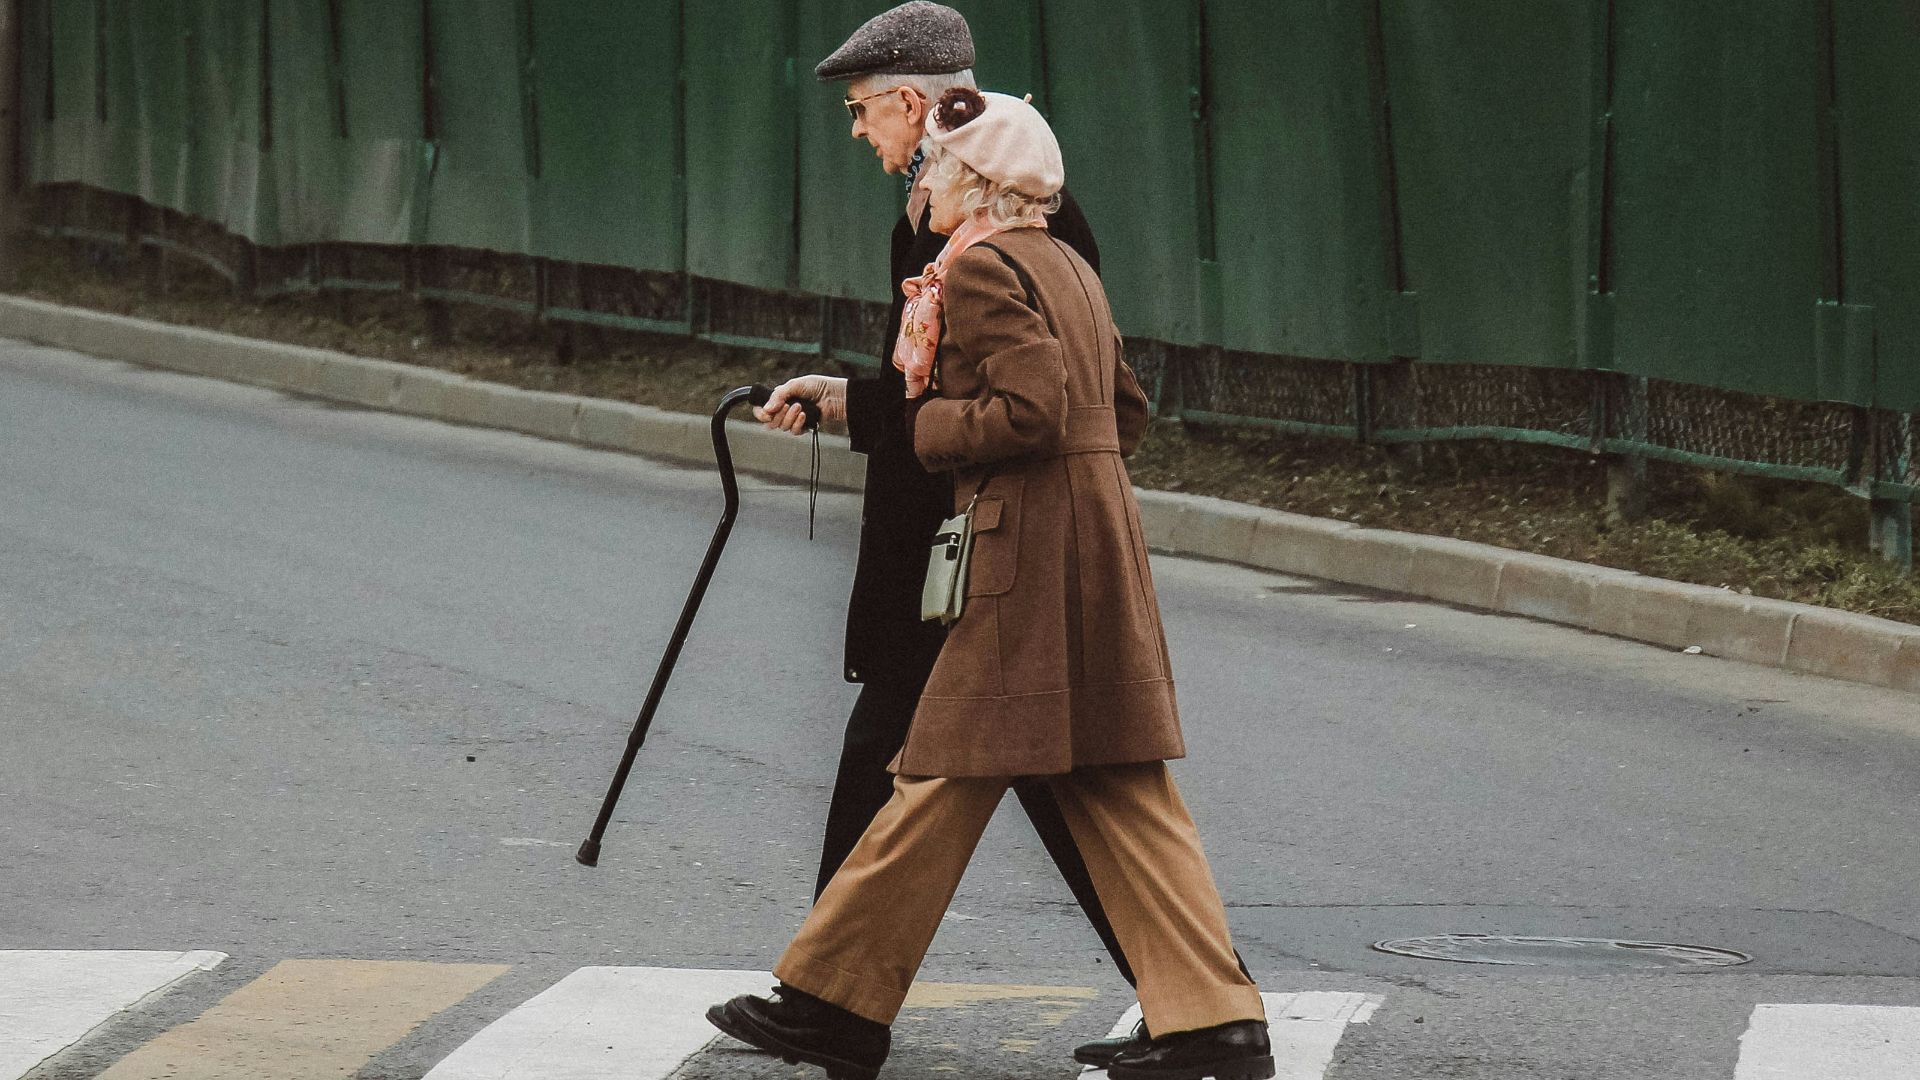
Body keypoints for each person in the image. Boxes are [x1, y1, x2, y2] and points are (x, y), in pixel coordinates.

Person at [710, 87, 1274, 1080]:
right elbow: (1122, 409)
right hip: (1095, 541)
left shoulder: (979, 272)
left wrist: (931, 435)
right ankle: (1216, 1024)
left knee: (937, 775)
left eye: (931, 166)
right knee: (1116, 783)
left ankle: (834, 1006)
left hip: (1021, 558)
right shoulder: (1062, 267)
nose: (918, 181)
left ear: (973, 180)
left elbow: (1033, 408)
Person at [752, 3, 1155, 1067]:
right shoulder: (959, 221)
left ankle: (830, 1004)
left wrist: (875, 408)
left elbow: (1021, 404)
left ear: (912, 105)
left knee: (994, 776)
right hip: (962, 547)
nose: (858, 135)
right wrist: (849, 400)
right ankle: (829, 1003)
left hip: (981, 554)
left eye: (861, 112)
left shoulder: (990, 233)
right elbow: (925, 386)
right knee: (973, 773)